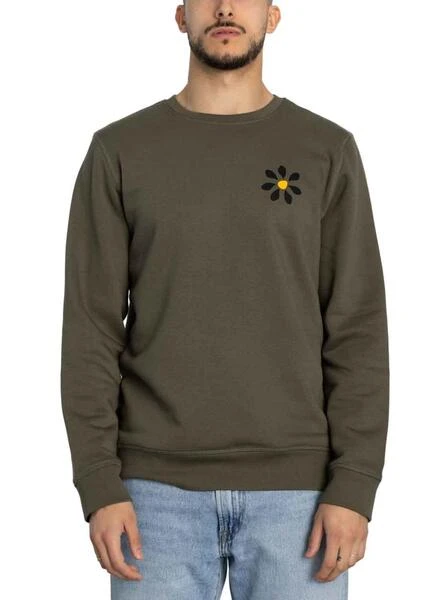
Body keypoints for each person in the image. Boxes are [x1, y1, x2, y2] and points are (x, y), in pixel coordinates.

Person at [60, 1, 390, 598]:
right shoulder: (120, 150)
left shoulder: (326, 149)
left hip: (300, 497)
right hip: (151, 496)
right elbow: (91, 330)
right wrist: (99, 483)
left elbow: (357, 327)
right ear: (181, 15)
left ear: (274, 15)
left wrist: (355, 483)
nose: (226, 7)